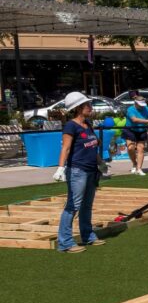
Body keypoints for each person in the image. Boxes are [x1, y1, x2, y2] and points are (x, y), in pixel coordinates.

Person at [54, 92, 105, 253]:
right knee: (73, 205)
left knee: (87, 205)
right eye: (87, 105)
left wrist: (100, 162)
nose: (90, 107)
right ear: (78, 108)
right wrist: (61, 168)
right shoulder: (71, 126)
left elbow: (92, 145)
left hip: (91, 170)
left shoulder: (87, 124)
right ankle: (65, 242)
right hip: (77, 170)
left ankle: (88, 235)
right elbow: (66, 148)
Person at [123, 93, 148, 176]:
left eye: (143, 104)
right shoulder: (130, 109)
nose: (142, 106)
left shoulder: (146, 108)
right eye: (140, 104)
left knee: (140, 149)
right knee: (130, 148)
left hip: (141, 130)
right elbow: (134, 120)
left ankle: (139, 168)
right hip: (130, 130)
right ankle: (134, 163)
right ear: (135, 103)